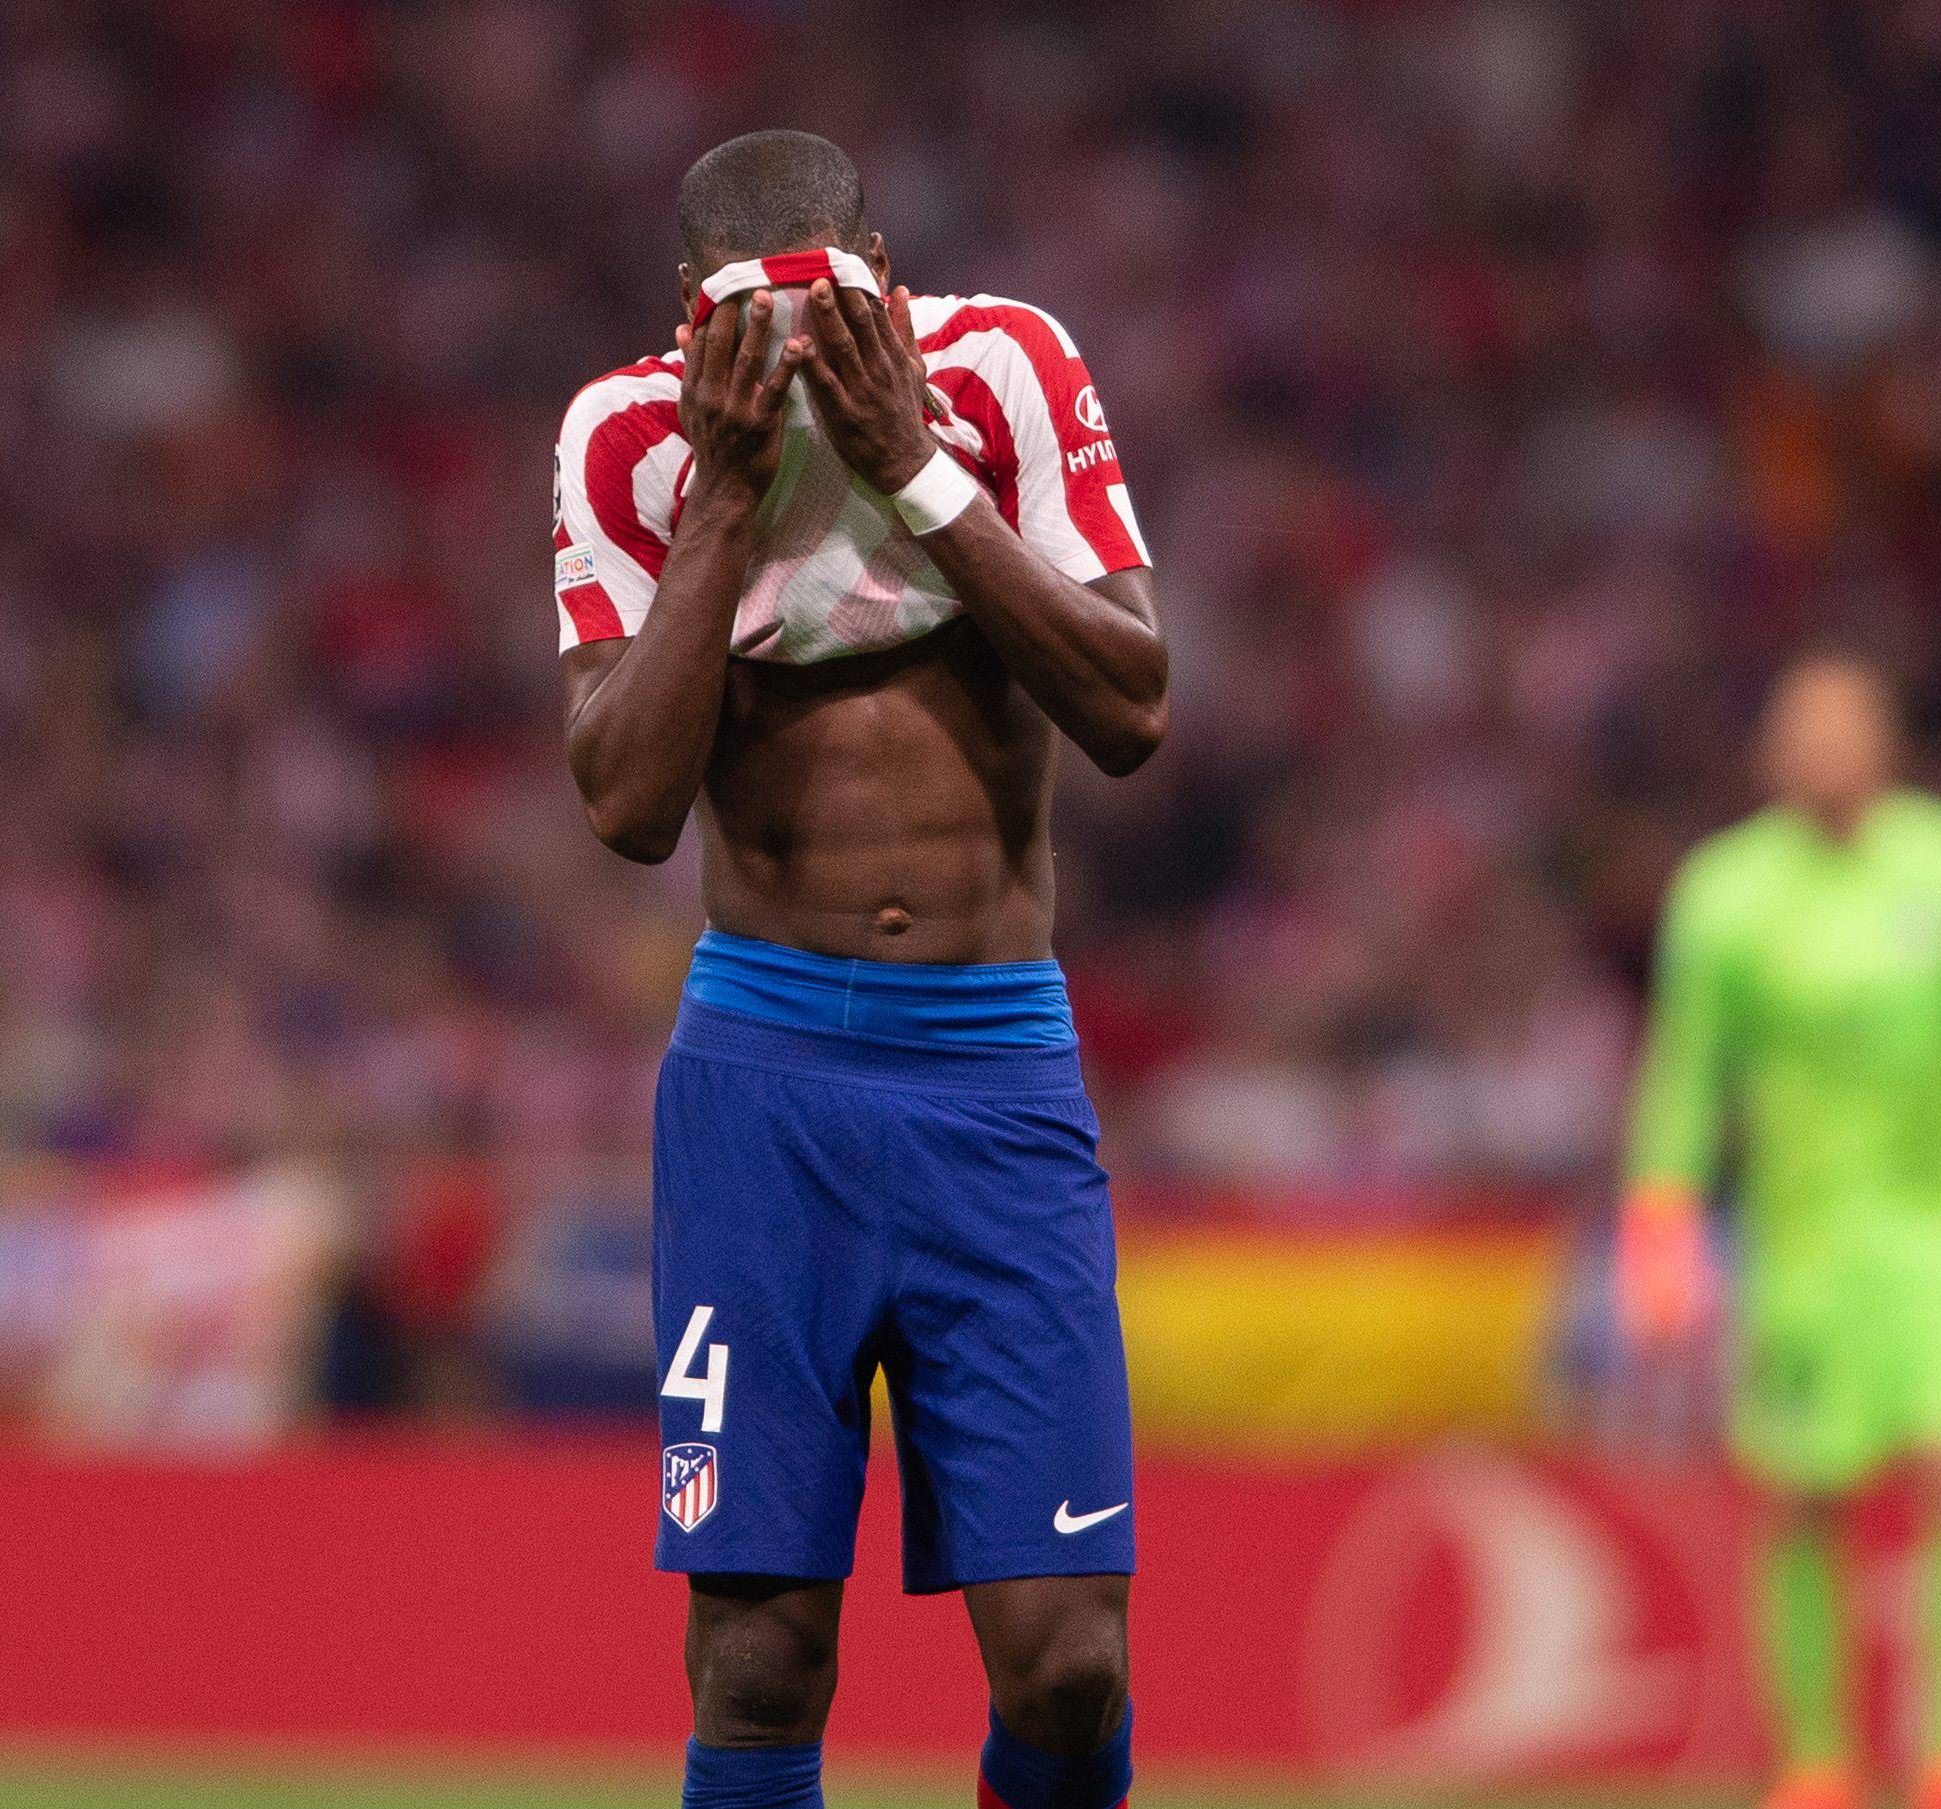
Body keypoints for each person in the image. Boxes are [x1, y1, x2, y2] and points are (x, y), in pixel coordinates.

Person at [553, 130, 1164, 1809]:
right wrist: (731, 499)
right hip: (767, 1087)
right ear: (695, 320)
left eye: (843, 302)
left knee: (1070, 1661)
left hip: (992, 1075)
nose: (812, 349)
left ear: (889, 271)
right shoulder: (628, 439)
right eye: (766, 320)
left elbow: (1129, 701)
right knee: (758, 1653)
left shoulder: (1006, 367)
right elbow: (621, 801)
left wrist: (920, 473)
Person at [1617, 654, 1941, 1809]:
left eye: (1844, 728)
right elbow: (1686, 1072)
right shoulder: (1722, 893)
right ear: (1767, 754)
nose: (1823, 751)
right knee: (1800, 1497)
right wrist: (1660, 1212)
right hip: (1799, 1247)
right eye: (1801, 731)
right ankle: (1816, 1763)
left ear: (1884, 743)